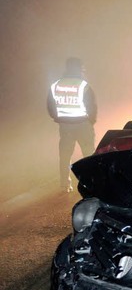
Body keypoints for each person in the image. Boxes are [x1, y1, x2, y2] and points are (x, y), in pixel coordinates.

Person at [47, 57, 97, 192]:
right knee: (88, 155)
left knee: (65, 155)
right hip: (82, 124)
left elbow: (50, 107)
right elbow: (91, 106)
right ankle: (90, 184)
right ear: (79, 68)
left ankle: (65, 185)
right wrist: (90, 121)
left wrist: (59, 118)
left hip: (65, 126)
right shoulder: (83, 85)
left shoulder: (56, 85)